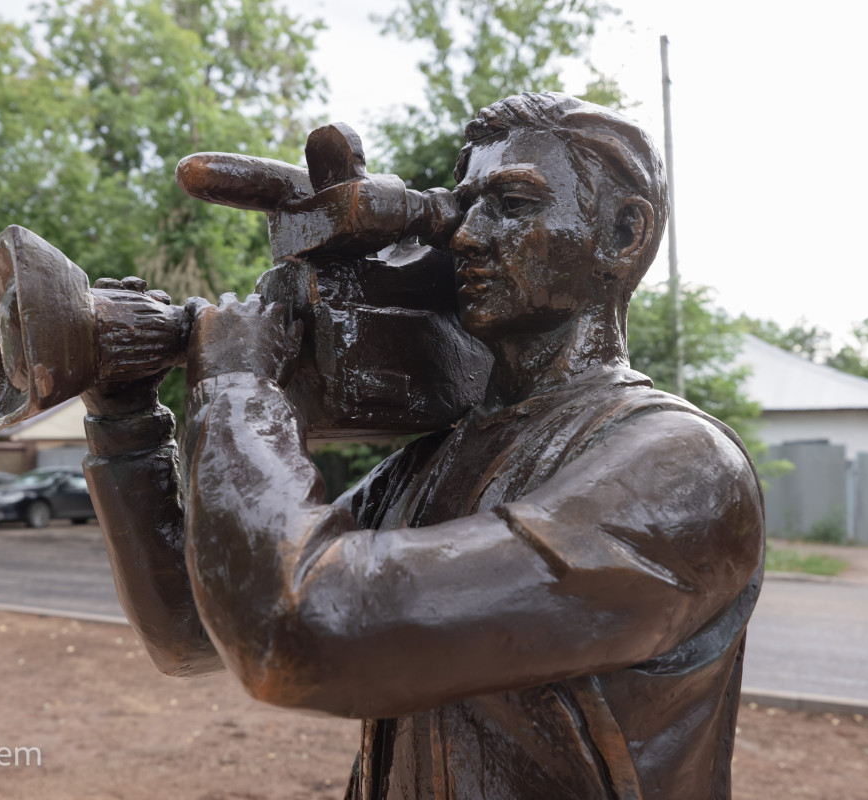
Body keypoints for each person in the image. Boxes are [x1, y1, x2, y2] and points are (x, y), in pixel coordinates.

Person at [81, 92, 764, 799]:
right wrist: (125, 419)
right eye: (462, 207)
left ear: (624, 235)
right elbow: (195, 628)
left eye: (513, 204)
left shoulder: (682, 468)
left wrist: (237, 387)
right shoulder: (435, 460)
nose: (465, 236)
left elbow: (293, 631)